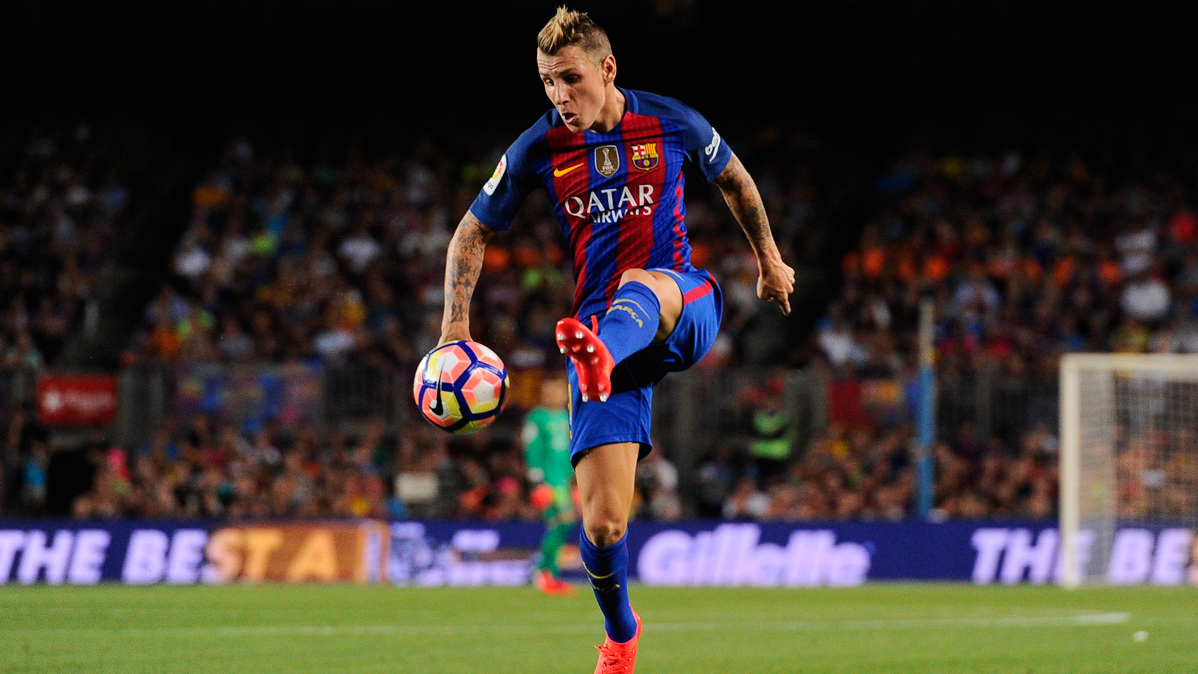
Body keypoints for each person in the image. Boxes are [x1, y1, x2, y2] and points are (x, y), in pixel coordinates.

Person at [436, 8, 794, 672]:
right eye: (547, 83)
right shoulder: (539, 146)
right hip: (598, 336)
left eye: (570, 79)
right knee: (601, 525)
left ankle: (602, 353)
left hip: (679, 301)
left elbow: (736, 181)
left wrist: (769, 261)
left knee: (640, 282)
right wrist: (454, 328)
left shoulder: (672, 121)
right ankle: (621, 635)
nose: (559, 97)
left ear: (607, 69)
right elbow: (470, 231)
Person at [523, 373, 577, 596]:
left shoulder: (568, 417)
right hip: (550, 481)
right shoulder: (537, 418)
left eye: (559, 390)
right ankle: (544, 573)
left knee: (561, 524)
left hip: (566, 481)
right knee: (563, 522)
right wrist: (536, 480)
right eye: (550, 391)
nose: (555, 394)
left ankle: (547, 574)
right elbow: (532, 449)